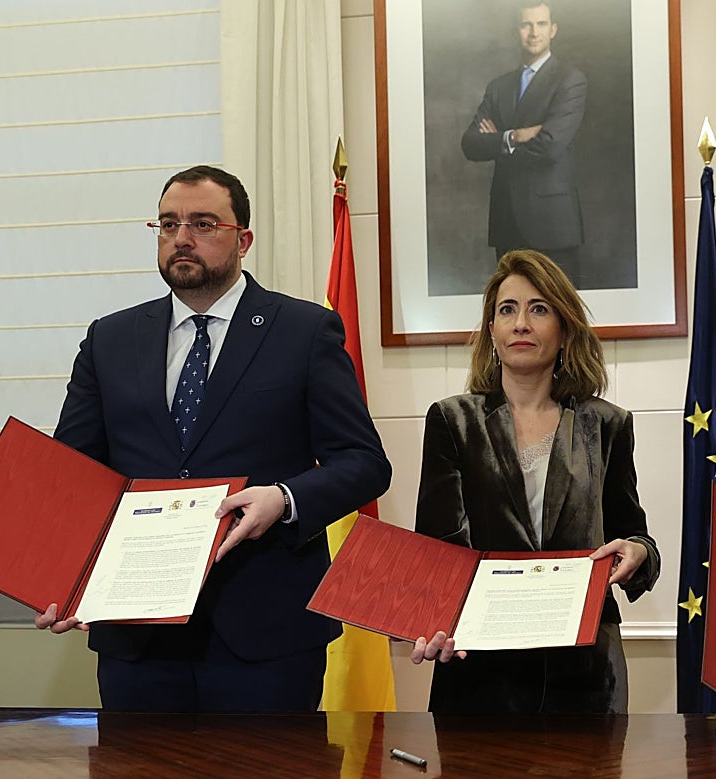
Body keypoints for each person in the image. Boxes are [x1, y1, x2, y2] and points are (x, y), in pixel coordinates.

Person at [34, 165, 392, 712]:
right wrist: (63, 576)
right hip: (137, 636)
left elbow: (365, 463)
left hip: (266, 634)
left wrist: (286, 498)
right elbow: (71, 474)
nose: (181, 238)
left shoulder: (302, 331)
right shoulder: (110, 338)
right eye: (168, 223)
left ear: (242, 239)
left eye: (203, 223)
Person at [412, 249, 660, 713]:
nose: (520, 323)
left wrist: (640, 552)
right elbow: (437, 548)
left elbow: (634, 533)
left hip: (585, 672)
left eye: (538, 309)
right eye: (507, 310)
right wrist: (431, 620)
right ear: (491, 332)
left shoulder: (607, 425)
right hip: (479, 669)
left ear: (564, 330)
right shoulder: (452, 420)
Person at [461, 2, 586, 282]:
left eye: (541, 24)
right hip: (507, 223)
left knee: (559, 318)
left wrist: (497, 142)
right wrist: (513, 136)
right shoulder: (499, 87)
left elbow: (551, 145)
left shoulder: (570, 80)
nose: (533, 32)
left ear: (553, 29)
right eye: (526, 24)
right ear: (516, 30)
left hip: (553, 225)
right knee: (510, 318)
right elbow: (470, 143)